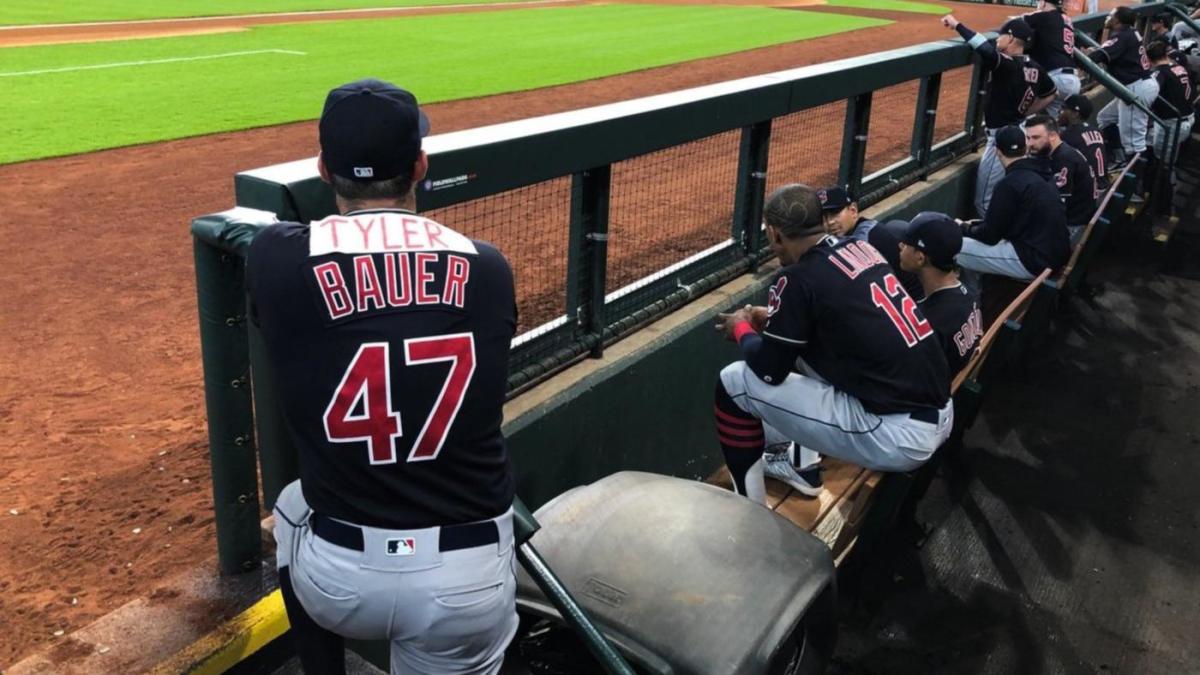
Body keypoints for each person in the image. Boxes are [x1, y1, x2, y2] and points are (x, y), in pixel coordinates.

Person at [245, 79, 519, 675]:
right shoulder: (488, 267)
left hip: (341, 582)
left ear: (323, 167)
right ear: (420, 165)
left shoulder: (277, 259)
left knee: (292, 508)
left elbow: (282, 249)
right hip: (464, 584)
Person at [713, 184, 952, 505]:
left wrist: (740, 328)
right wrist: (776, 317)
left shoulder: (796, 278)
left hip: (896, 434)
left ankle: (749, 512)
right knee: (802, 353)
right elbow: (843, 319)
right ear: (822, 221)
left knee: (733, 383)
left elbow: (769, 370)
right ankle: (801, 464)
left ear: (774, 234)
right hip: (937, 409)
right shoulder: (861, 249)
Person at [941, 14, 1057, 217]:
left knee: (984, 202)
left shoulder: (1009, 65)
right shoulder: (1035, 68)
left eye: (1001, 35)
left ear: (1011, 38)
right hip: (1020, 131)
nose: (997, 39)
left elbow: (984, 49)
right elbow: (1051, 93)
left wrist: (957, 25)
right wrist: (1027, 110)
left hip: (1002, 139)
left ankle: (994, 240)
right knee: (1011, 192)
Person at [957, 125, 1071, 283]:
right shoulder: (1043, 173)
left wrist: (963, 228)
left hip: (1035, 261)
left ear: (998, 151)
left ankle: (969, 303)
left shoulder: (1009, 184)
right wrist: (974, 226)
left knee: (951, 245)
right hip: (1053, 254)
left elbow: (989, 236)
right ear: (1025, 149)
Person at [897, 212, 983, 377]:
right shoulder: (969, 295)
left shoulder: (928, 321)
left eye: (907, 244)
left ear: (920, 258)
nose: (900, 246)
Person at [1088, 6, 1160, 165]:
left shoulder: (1122, 37)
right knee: (1105, 118)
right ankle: (1120, 160)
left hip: (1137, 88)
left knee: (1134, 143)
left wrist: (1086, 54)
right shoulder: (1131, 32)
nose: (1108, 17)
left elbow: (1098, 56)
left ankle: (1135, 181)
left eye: (1111, 15)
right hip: (1141, 84)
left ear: (1118, 21)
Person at [1025, 114, 1097, 245]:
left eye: (1035, 138)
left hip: (1073, 227)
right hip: (1077, 218)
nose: (1030, 143)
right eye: (1028, 138)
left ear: (1052, 135)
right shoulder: (1061, 151)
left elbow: (1057, 206)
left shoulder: (1063, 159)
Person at [1148, 39, 1195, 215]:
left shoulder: (1160, 73)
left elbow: (1150, 94)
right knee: (1164, 158)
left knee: (1165, 164)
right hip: (1187, 119)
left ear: (1150, 59)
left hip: (1173, 123)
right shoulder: (1178, 67)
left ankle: (1165, 205)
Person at [1024, 0, 1081, 118]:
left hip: (1055, 79)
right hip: (1074, 80)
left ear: (1044, 3)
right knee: (1055, 121)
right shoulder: (1067, 19)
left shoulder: (1043, 16)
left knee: (1024, 111)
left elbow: (1014, 24)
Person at [1059, 94, 1112, 195]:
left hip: (1089, 194)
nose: (1059, 112)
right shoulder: (1096, 130)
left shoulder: (1068, 135)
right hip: (1104, 187)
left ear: (1075, 114)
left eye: (1063, 109)